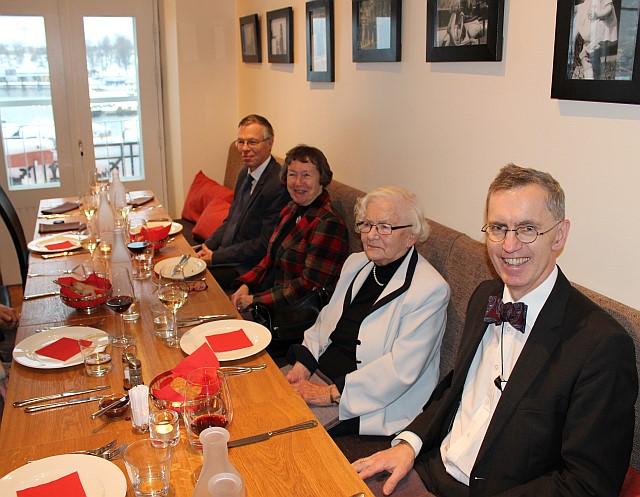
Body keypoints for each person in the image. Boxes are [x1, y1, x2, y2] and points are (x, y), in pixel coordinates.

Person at [354, 164, 637, 496]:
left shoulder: (601, 344)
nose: (509, 245)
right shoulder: (485, 296)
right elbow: (454, 388)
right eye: (498, 228)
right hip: (430, 470)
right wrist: (409, 444)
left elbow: (588, 483)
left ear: (559, 235)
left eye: (527, 228)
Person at [285, 186, 450, 437]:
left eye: (385, 227)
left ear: (411, 236)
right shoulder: (356, 264)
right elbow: (326, 321)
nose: (372, 235)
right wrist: (303, 364)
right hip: (320, 374)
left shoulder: (430, 290)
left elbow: (401, 370)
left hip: (368, 402)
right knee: (259, 400)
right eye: (367, 224)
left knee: (285, 432)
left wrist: (329, 394)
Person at [230, 145, 349, 345]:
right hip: (274, 302)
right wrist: (246, 284)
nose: (298, 182)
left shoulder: (328, 223)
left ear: (322, 178)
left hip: (297, 320)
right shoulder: (291, 208)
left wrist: (256, 300)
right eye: (292, 174)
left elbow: (308, 285)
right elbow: (269, 258)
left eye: (306, 175)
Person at [196, 114, 289, 290]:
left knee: (191, 279)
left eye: (252, 142)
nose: (245, 148)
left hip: (246, 266)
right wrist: (207, 245)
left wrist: (216, 257)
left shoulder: (278, 184)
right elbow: (231, 220)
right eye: (241, 142)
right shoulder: (243, 173)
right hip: (227, 254)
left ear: (270, 143)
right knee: (179, 263)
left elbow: (264, 243)